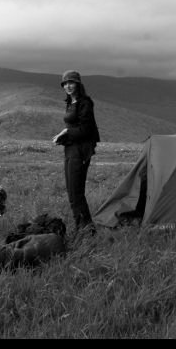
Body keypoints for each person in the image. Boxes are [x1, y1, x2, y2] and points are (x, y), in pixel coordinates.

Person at [52, 70, 101, 236]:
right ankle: (83, 228)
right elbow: (74, 125)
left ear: (78, 84)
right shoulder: (70, 102)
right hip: (70, 149)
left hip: (81, 151)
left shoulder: (85, 103)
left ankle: (87, 231)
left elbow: (86, 130)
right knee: (71, 192)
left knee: (76, 192)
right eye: (65, 83)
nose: (68, 86)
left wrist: (65, 132)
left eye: (71, 82)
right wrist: (63, 135)